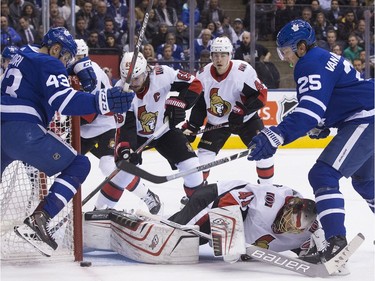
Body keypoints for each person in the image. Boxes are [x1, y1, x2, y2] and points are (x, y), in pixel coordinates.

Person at [247, 19, 374, 264]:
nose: (285, 58)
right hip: (365, 112)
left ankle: (336, 243)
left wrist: (277, 133)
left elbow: (309, 111)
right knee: (366, 182)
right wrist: (323, 123)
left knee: (323, 175)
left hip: (367, 117)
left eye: (286, 52)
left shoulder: (308, 63)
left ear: (301, 47)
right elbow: (335, 96)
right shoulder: (320, 57)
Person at [1, 27, 135, 256]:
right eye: (64, 57)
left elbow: (40, 70)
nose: (64, 64)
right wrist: (104, 101)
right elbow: (64, 101)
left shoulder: (20, 54)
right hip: (24, 131)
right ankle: (40, 218)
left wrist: (73, 67)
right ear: (54, 49)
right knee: (79, 164)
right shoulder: (50, 63)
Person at [96, 51, 205, 209]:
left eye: (136, 78)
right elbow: (126, 126)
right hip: (135, 135)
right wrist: (126, 148)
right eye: (127, 79)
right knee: (123, 174)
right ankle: (99, 211)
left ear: (145, 71)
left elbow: (195, 84)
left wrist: (179, 104)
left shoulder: (162, 74)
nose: (132, 83)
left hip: (163, 130)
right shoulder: (120, 91)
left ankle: (198, 208)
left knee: (192, 166)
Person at [69, 39, 161, 214]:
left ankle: (146, 195)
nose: (75, 61)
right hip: (84, 129)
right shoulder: (76, 72)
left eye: (79, 56)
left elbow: (90, 112)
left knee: (108, 166)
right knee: (67, 164)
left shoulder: (90, 73)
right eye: (74, 57)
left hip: (104, 123)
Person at [182, 36, 274, 187]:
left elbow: (261, 95)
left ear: (230, 55)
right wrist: (193, 126)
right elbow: (200, 104)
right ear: (211, 56)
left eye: (223, 55)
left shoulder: (242, 71)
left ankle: (267, 188)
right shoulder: (203, 75)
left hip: (247, 121)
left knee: (264, 153)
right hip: (217, 122)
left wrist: (242, 111)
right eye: (216, 55)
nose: (219, 59)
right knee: (203, 158)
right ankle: (196, 192)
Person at [169, 180, 321, 256]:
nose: (288, 227)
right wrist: (226, 233)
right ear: (287, 207)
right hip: (212, 199)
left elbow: (309, 251)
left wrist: (316, 252)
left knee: (184, 245)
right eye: (289, 220)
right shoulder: (271, 200)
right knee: (171, 239)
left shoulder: (305, 232)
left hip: (215, 224)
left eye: (293, 228)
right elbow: (229, 198)